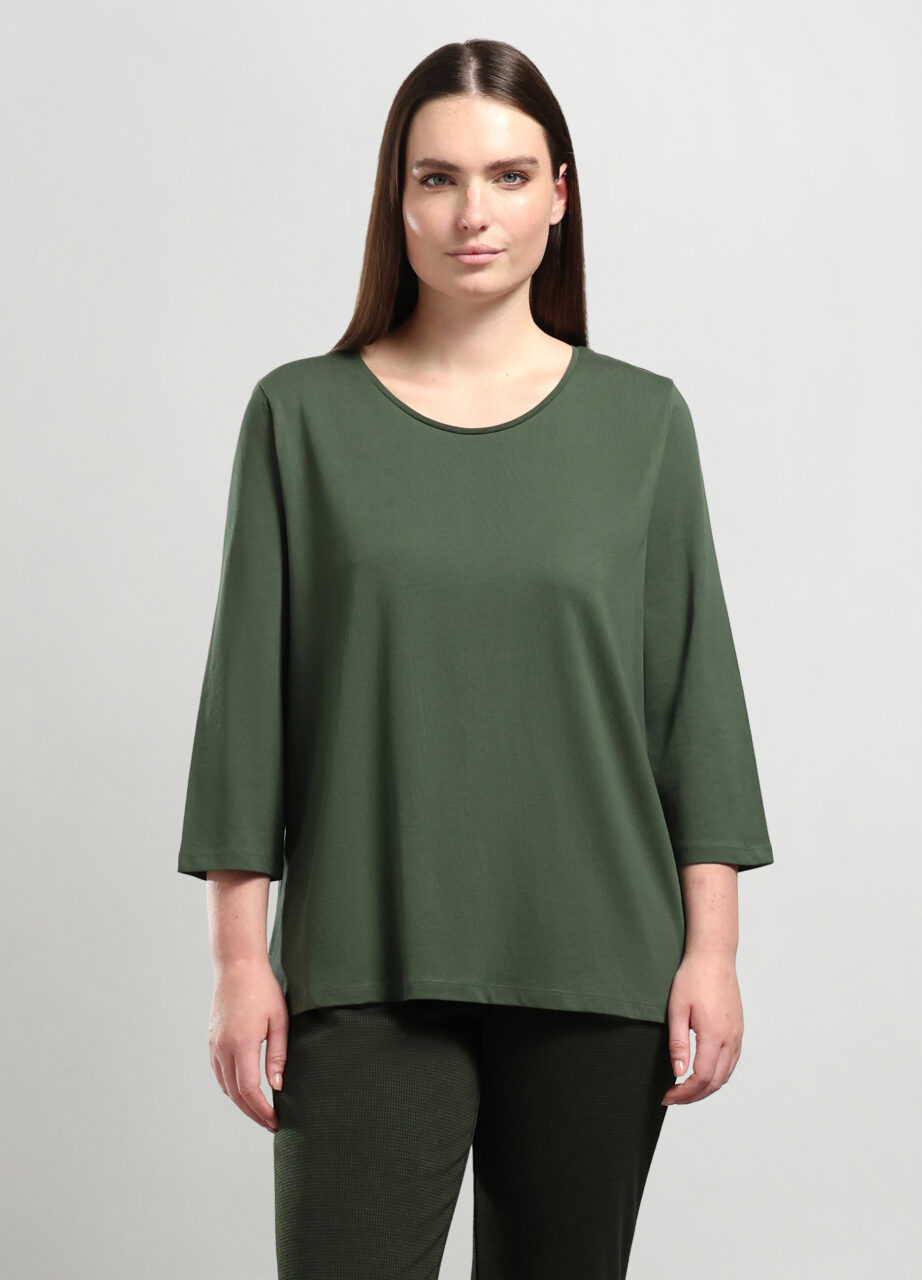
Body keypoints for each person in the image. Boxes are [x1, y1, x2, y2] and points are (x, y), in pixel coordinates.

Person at [177, 38, 774, 1280]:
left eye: (506, 176)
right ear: (395, 198)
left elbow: (692, 703)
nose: (471, 215)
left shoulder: (642, 422)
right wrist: (240, 959)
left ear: (559, 193)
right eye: (436, 178)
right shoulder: (300, 416)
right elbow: (248, 709)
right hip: (361, 960)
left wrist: (711, 952)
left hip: (598, 968)